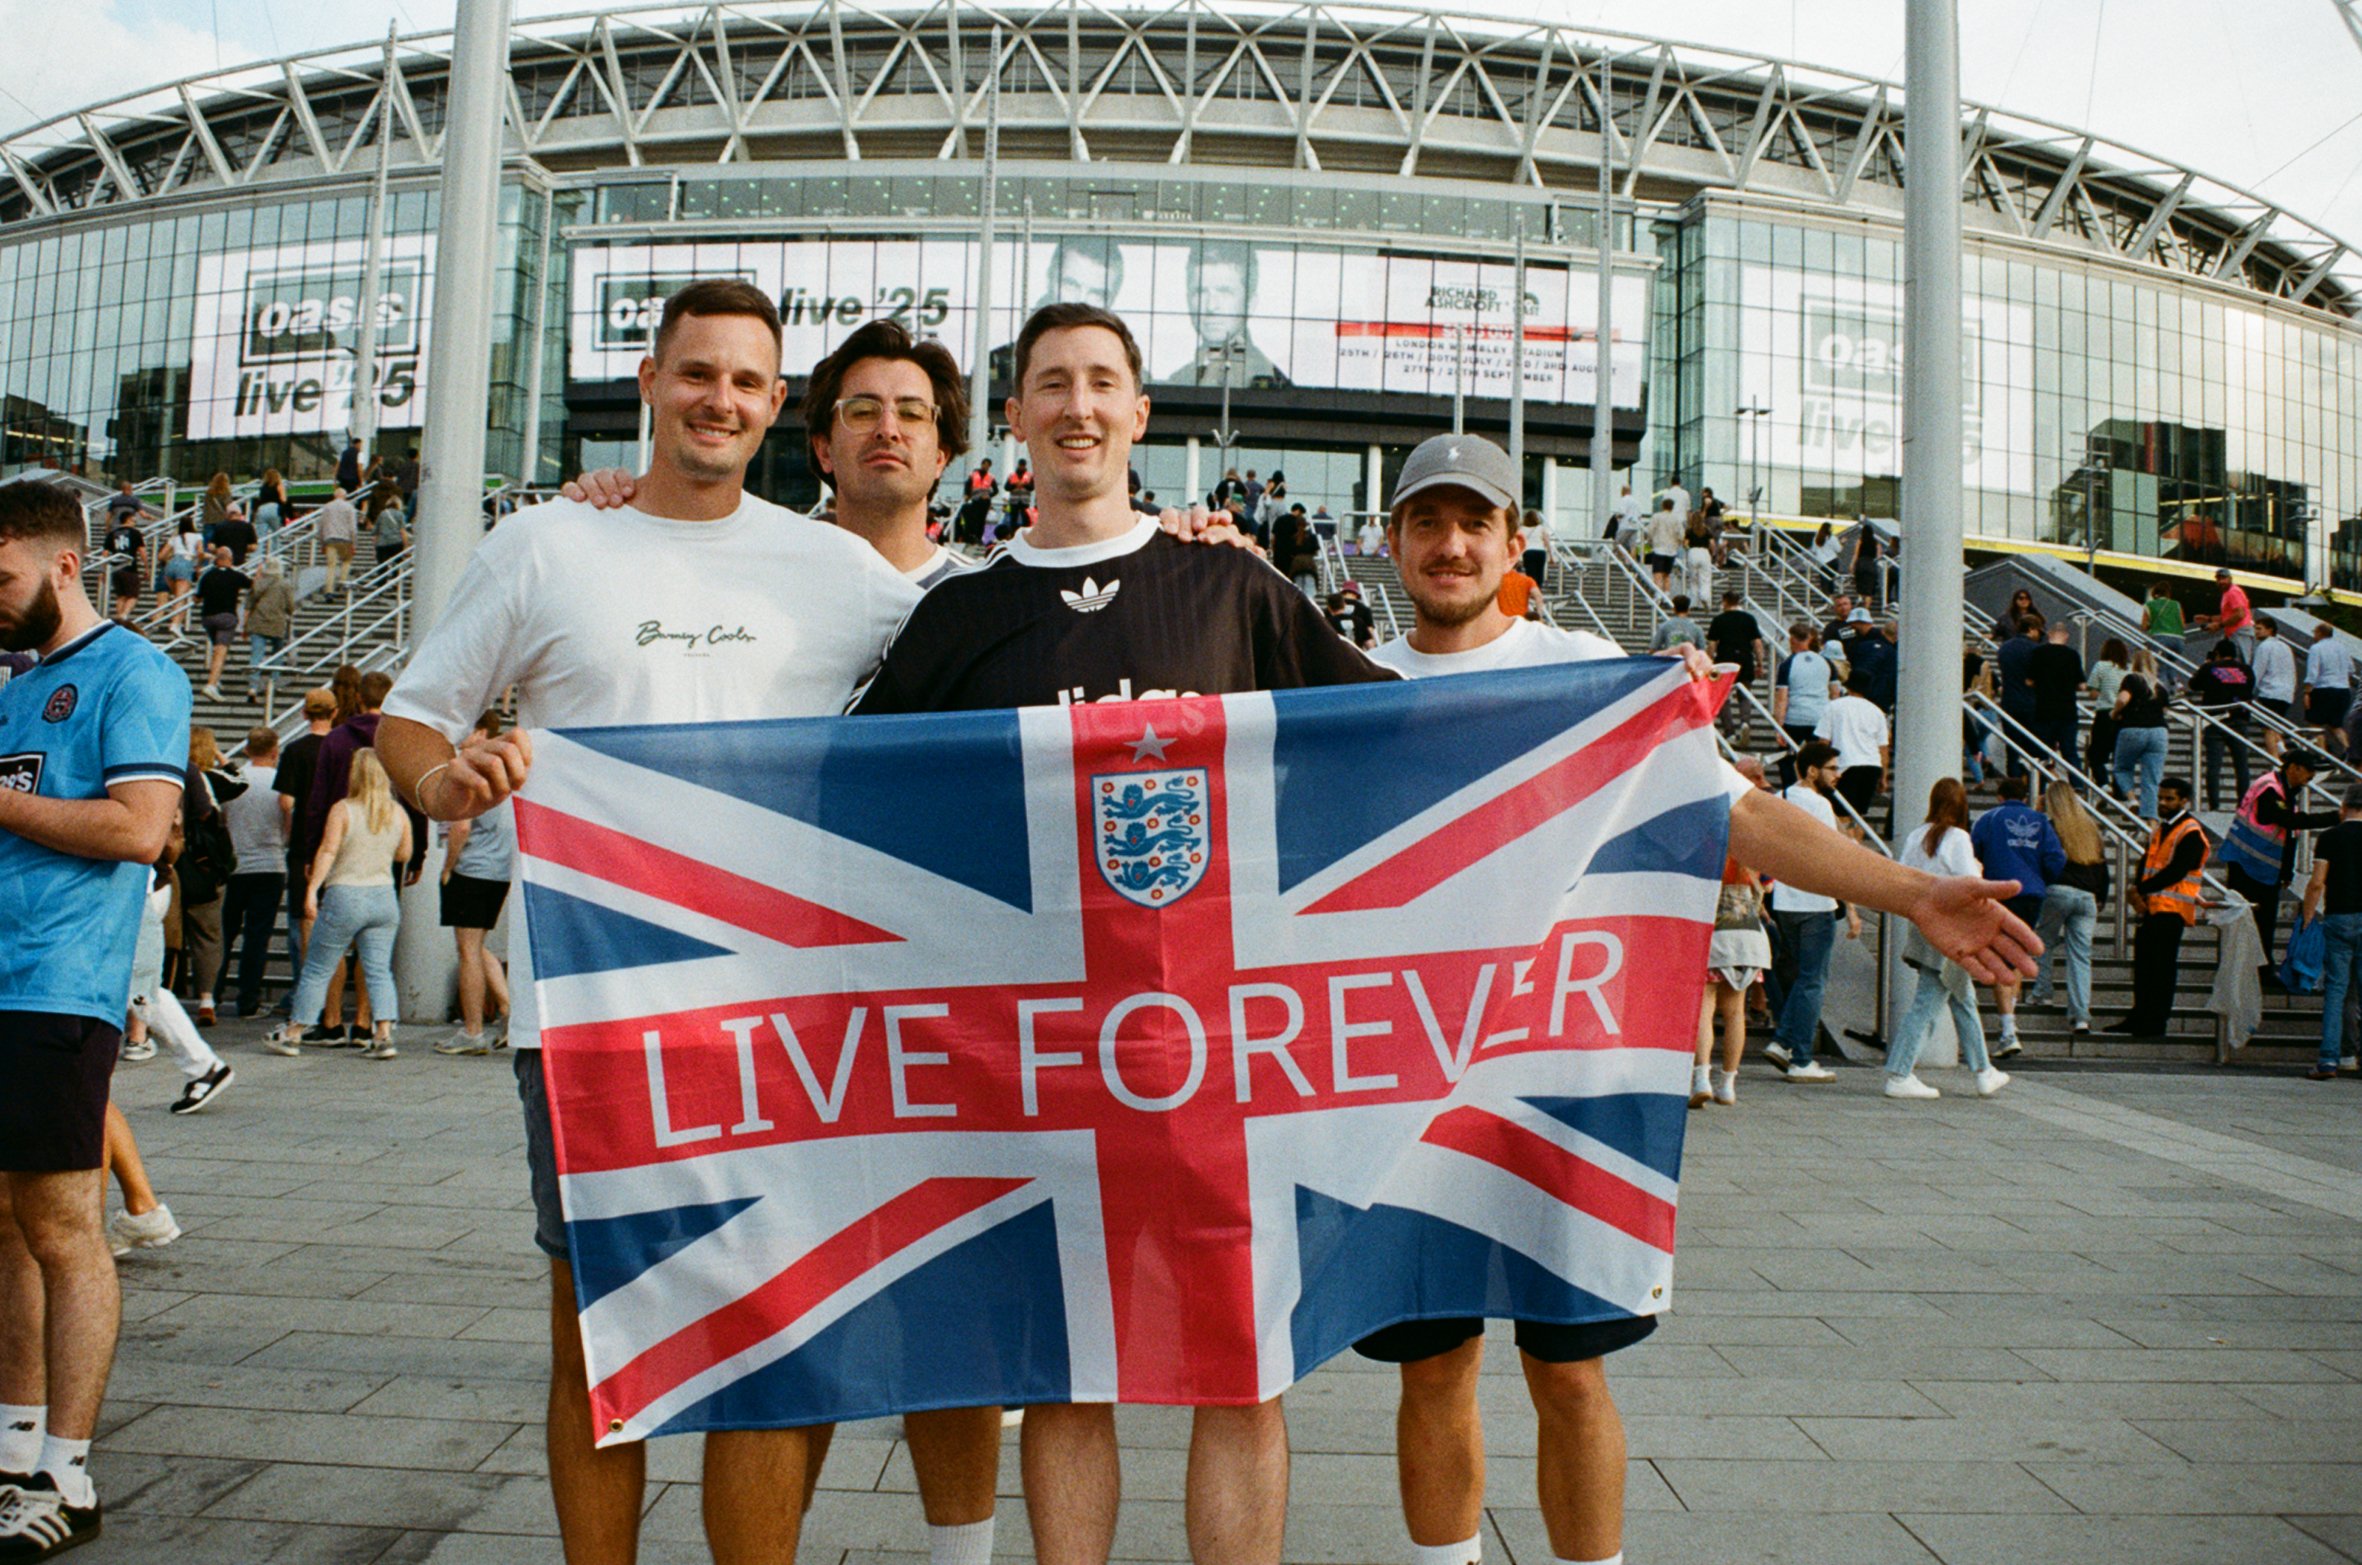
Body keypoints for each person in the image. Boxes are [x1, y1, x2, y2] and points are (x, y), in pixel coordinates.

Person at [1354, 433, 2035, 1565]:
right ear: (1392, 543)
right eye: (1427, 521)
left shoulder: (1584, 674)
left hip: (1565, 1080)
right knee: (1433, 1366)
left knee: (1569, 1367)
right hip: (1414, 1085)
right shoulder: (1357, 689)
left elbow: (1738, 814)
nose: (1452, 544)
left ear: (1515, 541)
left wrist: (1917, 891)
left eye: (1475, 521)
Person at [377, 279, 958, 1565]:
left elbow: (1007, 646)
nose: (721, 401)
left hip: (778, 1009)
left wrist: (1179, 543)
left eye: (748, 383)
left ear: (773, 410)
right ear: (649, 383)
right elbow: (415, 709)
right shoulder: (544, 543)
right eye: (698, 374)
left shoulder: (835, 571)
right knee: (601, 1330)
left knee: (773, 1330)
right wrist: (438, 780)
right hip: (590, 1005)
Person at [847, 301, 1385, 1565]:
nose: (1078, 406)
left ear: (1140, 414)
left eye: (1103, 383)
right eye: (1051, 384)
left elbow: (1394, 737)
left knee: (1239, 1366)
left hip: (1223, 1052)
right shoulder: (957, 618)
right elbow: (841, 799)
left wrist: (1621, 702)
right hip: (1034, 1064)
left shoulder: (1231, 583)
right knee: (1064, 1366)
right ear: (1017, 419)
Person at [0, 480, 189, 1560]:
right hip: (0, 982)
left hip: (57, 987)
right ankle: (15, 1445)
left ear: (64, 563)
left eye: (3, 578)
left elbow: (138, 827)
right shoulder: (15, 689)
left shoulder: (135, 672)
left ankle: (66, 1472)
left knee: (66, 1227)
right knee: (5, 1226)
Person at [265, 748, 411, 1061]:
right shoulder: (397, 813)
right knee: (378, 971)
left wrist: (311, 889)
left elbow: (328, 851)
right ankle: (383, 1034)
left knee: (319, 967)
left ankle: (293, 1032)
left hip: (346, 893)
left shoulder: (343, 809)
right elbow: (403, 854)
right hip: (383, 896)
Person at [1884, 778, 2011, 1100]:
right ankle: (1899, 1073)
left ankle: (1983, 1070)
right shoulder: (1957, 838)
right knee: (1928, 1002)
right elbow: (1971, 882)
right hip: (1953, 931)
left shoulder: (1916, 836)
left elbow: (1903, 877)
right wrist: (1980, 871)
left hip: (1924, 925)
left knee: (1962, 998)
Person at [1762, 741, 1862, 1082]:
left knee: (1803, 978)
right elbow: (1833, 857)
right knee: (1813, 981)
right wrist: (1850, 906)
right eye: (1833, 768)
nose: (1839, 775)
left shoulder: (1779, 799)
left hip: (1786, 902)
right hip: (1816, 902)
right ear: (1812, 770)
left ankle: (1782, 1043)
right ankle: (1801, 1058)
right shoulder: (1819, 805)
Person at [435, 712, 515, 1057]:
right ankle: (509, 1011)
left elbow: (461, 827)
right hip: (499, 869)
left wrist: (447, 866)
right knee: (479, 945)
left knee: (467, 950)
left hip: (472, 869)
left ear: (481, 732)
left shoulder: (475, 772)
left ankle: (472, 1031)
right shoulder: (507, 772)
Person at [1969, 775, 2065, 1059]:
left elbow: (1973, 854)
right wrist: (2039, 878)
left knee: (2000, 955)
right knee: (2019, 953)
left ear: (1999, 796)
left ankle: (2007, 1027)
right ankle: (2010, 1022)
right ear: (2025, 796)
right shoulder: (2040, 822)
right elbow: (2055, 859)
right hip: (2031, 894)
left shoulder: (1989, 819)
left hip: (1999, 892)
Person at [2105, 777, 2208, 1040]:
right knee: (2144, 966)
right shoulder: (2164, 829)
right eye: (2160, 797)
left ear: (2184, 800)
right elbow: (2148, 862)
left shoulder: (2190, 831)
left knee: (2161, 968)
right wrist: (2140, 889)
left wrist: (2143, 888)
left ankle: (2154, 1021)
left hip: (2171, 908)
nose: (2162, 802)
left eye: (2169, 798)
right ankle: (2139, 1016)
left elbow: (2177, 870)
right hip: (2154, 907)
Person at [2215, 750, 2336, 973]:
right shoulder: (2269, 788)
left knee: (2266, 920)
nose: (2312, 776)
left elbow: (2289, 836)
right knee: (2244, 917)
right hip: (2245, 862)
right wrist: (2334, 817)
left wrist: (2286, 872)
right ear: (2294, 767)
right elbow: (2285, 820)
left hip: (2265, 868)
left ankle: (2262, 967)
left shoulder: (2287, 792)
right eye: (2309, 770)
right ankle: (2238, 966)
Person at [217, 726, 288, 1024]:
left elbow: (221, 819)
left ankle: (213, 991)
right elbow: (287, 819)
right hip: (270, 864)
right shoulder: (279, 782)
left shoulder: (234, 781)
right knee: (257, 937)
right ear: (275, 751)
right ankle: (248, 1000)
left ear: (246, 749)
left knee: (224, 933)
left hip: (235, 865)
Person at [272, 689, 338, 1010]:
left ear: (304, 714)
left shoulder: (295, 750)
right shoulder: (341, 749)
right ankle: (329, 993)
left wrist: (288, 830)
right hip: (336, 841)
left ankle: (304, 991)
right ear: (335, 712)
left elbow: (286, 800)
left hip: (303, 845)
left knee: (302, 918)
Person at [1698, 822, 1771, 1108]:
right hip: (1750, 938)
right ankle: (1728, 1085)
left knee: (1705, 1007)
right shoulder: (1755, 856)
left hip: (1716, 935)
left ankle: (1701, 1078)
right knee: (1735, 1012)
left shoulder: (1706, 854)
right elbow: (1766, 890)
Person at [2030, 781, 2110, 1039]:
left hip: (2057, 890)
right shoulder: (2089, 829)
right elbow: (2102, 867)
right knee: (2080, 955)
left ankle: (2042, 993)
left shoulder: (2048, 827)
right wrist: (2101, 896)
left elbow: (2040, 861)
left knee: (2044, 942)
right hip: (2088, 896)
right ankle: (2080, 1016)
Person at [2299, 783, 2362, 1080]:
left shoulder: (2329, 837)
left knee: (2336, 992)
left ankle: (2328, 1061)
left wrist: (2307, 919)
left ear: (2342, 807)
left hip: (2339, 917)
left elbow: (2316, 883)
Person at [1813, 669, 1890, 838]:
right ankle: (1857, 849)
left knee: (1841, 814)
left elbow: (1823, 741)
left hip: (1845, 765)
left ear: (1848, 686)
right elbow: (1883, 747)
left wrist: (1820, 768)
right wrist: (1884, 776)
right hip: (1871, 766)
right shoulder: (1877, 711)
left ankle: (1844, 853)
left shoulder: (1834, 706)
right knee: (1859, 816)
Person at [2186, 638, 2256, 811]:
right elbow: (2251, 687)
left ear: (2217, 653)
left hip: (2214, 719)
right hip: (2239, 718)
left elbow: (2193, 685)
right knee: (2241, 765)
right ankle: (2243, 805)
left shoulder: (2209, 668)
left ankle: (2214, 805)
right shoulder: (2246, 670)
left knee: (2213, 765)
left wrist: (2207, 664)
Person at [2112, 651, 2171, 818]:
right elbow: (2165, 710)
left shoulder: (2132, 679)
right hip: (2159, 732)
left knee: (2122, 768)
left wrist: (2115, 713)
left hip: (2133, 728)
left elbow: (2123, 699)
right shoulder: (2160, 686)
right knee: (2152, 780)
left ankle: (2132, 800)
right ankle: (2150, 822)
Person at [1772, 624, 1833, 786]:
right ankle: (1819, 789)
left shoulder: (1788, 664)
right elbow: (1835, 693)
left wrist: (1779, 726)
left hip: (1795, 718)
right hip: (1820, 717)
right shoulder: (1826, 662)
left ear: (1793, 640)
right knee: (1819, 759)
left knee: (1785, 757)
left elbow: (1781, 698)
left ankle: (1791, 789)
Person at [193, 545, 250, 701]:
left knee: (216, 648)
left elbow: (197, 599)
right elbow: (253, 585)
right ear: (230, 560)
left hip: (208, 617)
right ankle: (211, 684)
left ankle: (216, 679)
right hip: (226, 617)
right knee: (220, 650)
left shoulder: (208, 576)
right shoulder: (236, 576)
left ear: (216, 560)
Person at [2026, 620, 2086, 765]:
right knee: (2070, 752)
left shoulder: (2038, 653)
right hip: (2067, 711)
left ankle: (2040, 784)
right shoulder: (2073, 655)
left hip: (2044, 710)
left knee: (2041, 751)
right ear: (2066, 636)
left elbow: (2029, 681)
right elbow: (2082, 686)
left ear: (2049, 635)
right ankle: (2077, 785)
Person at [243, 555, 295, 704]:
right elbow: (290, 606)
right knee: (277, 654)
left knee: (256, 655)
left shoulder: (257, 584)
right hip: (276, 623)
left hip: (257, 622)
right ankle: (273, 681)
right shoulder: (284, 585)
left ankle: (252, 686)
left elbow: (248, 605)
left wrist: (245, 626)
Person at [2253, 617, 2298, 760]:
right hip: (2286, 693)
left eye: (2259, 629)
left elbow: (2258, 670)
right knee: (2275, 725)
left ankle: (2275, 760)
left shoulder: (2264, 646)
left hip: (2269, 691)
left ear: (2270, 630)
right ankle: (2282, 749)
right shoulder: (2286, 647)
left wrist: (2249, 689)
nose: (2256, 632)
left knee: (2268, 729)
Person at [2086, 636, 2130, 779]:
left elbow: (2093, 692)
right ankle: (2120, 790)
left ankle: (2103, 784)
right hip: (2124, 716)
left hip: (2104, 714)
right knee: (2120, 757)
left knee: (2096, 755)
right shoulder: (2128, 669)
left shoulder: (2100, 666)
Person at [1707, 590, 1765, 698]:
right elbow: (1757, 643)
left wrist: (1709, 661)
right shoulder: (1749, 618)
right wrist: (1760, 663)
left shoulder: (1718, 620)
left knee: (1722, 694)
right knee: (1745, 694)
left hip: (1724, 658)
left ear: (1724, 602)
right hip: (1745, 659)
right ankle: (1745, 715)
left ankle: (1727, 715)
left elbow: (1712, 644)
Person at [2304, 623, 2355, 740]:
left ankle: (2322, 754)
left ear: (2320, 633)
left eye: (2314, 632)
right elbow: (2351, 669)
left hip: (2323, 689)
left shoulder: (2316, 648)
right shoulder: (2342, 648)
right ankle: (2348, 752)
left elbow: (2312, 672)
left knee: (2315, 724)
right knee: (2336, 725)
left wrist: (2307, 692)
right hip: (2343, 690)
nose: (2314, 635)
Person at [312, 485, 360, 595]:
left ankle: (329, 590)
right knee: (347, 561)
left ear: (334, 496)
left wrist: (322, 543)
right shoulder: (349, 507)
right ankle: (342, 583)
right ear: (345, 496)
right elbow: (353, 528)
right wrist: (354, 543)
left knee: (331, 565)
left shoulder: (327, 507)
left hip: (330, 539)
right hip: (345, 539)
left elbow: (321, 526)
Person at [2207, 568, 2254, 664]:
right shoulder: (2227, 593)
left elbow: (2240, 614)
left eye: (2224, 578)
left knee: (2241, 662)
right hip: (2233, 633)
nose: (2221, 581)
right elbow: (2228, 615)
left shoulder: (2233, 592)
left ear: (2230, 578)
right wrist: (2209, 619)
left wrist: (2219, 625)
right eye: (2218, 579)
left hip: (2240, 632)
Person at [1643, 497, 1683, 595]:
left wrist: (1649, 541)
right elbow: (1681, 534)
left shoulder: (1657, 517)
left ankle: (1658, 593)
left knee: (1657, 573)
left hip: (1659, 548)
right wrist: (1677, 544)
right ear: (1672, 507)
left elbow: (1649, 531)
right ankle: (1667, 593)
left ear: (1662, 506)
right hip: (1671, 550)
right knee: (1667, 574)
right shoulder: (1676, 519)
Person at [1520, 507, 1550, 585]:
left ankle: (1532, 589)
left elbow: (1519, 542)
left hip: (1528, 552)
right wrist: (1551, 556)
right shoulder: (1541, 528)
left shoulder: (1522, 529)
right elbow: (1547, 542)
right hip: (1540, 552)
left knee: (1530, 573)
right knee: (1540, 573)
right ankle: (1538, 589)